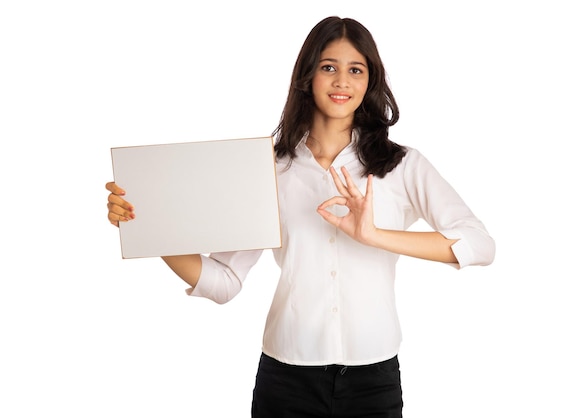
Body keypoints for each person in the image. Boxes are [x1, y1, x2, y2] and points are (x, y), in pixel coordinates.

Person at [106, 16, 495, 418]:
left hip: (373, 381)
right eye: (329, 67)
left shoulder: (401, 165)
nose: (342, 81)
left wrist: (374, 234)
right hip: (286, 381)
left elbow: (479, 246)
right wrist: (149, 226)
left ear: (369, 81)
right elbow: (222, 281)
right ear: (308, 75)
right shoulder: (267, 169)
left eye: (355, 70)